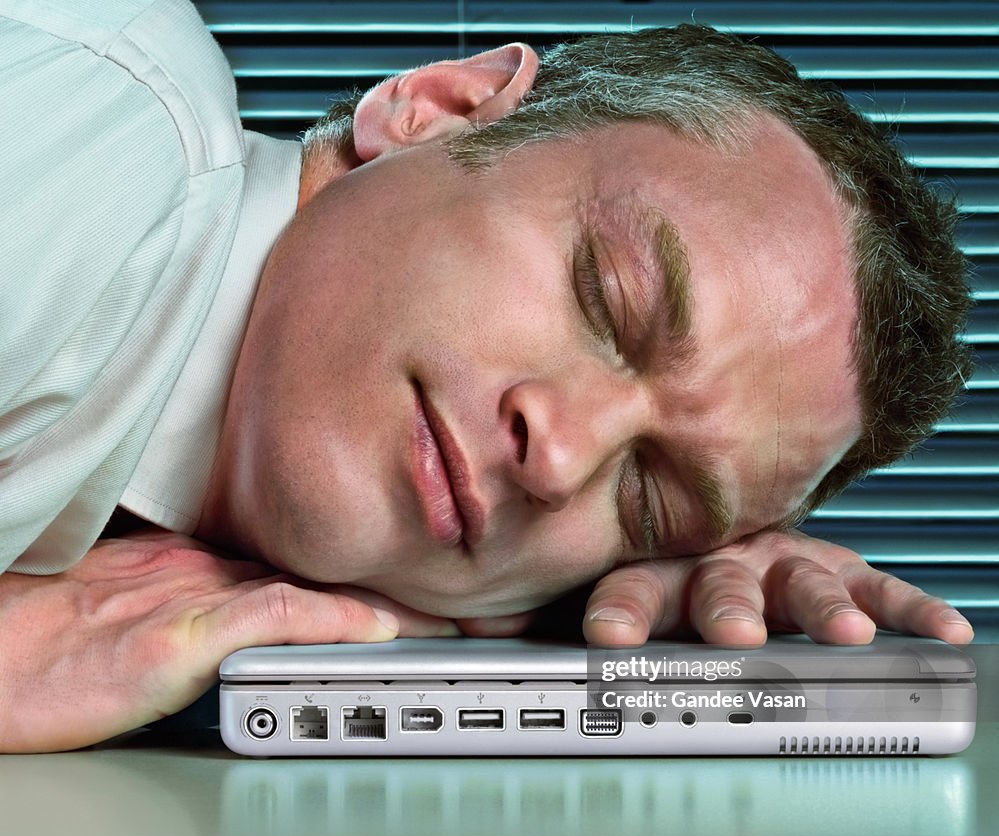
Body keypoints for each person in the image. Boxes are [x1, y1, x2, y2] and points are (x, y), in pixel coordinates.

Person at [0, 0, 974, 752]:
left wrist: (640, 612)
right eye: (607, 297)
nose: (558, 458)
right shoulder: (88, 149)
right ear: (439, 109)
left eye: (646, 496)